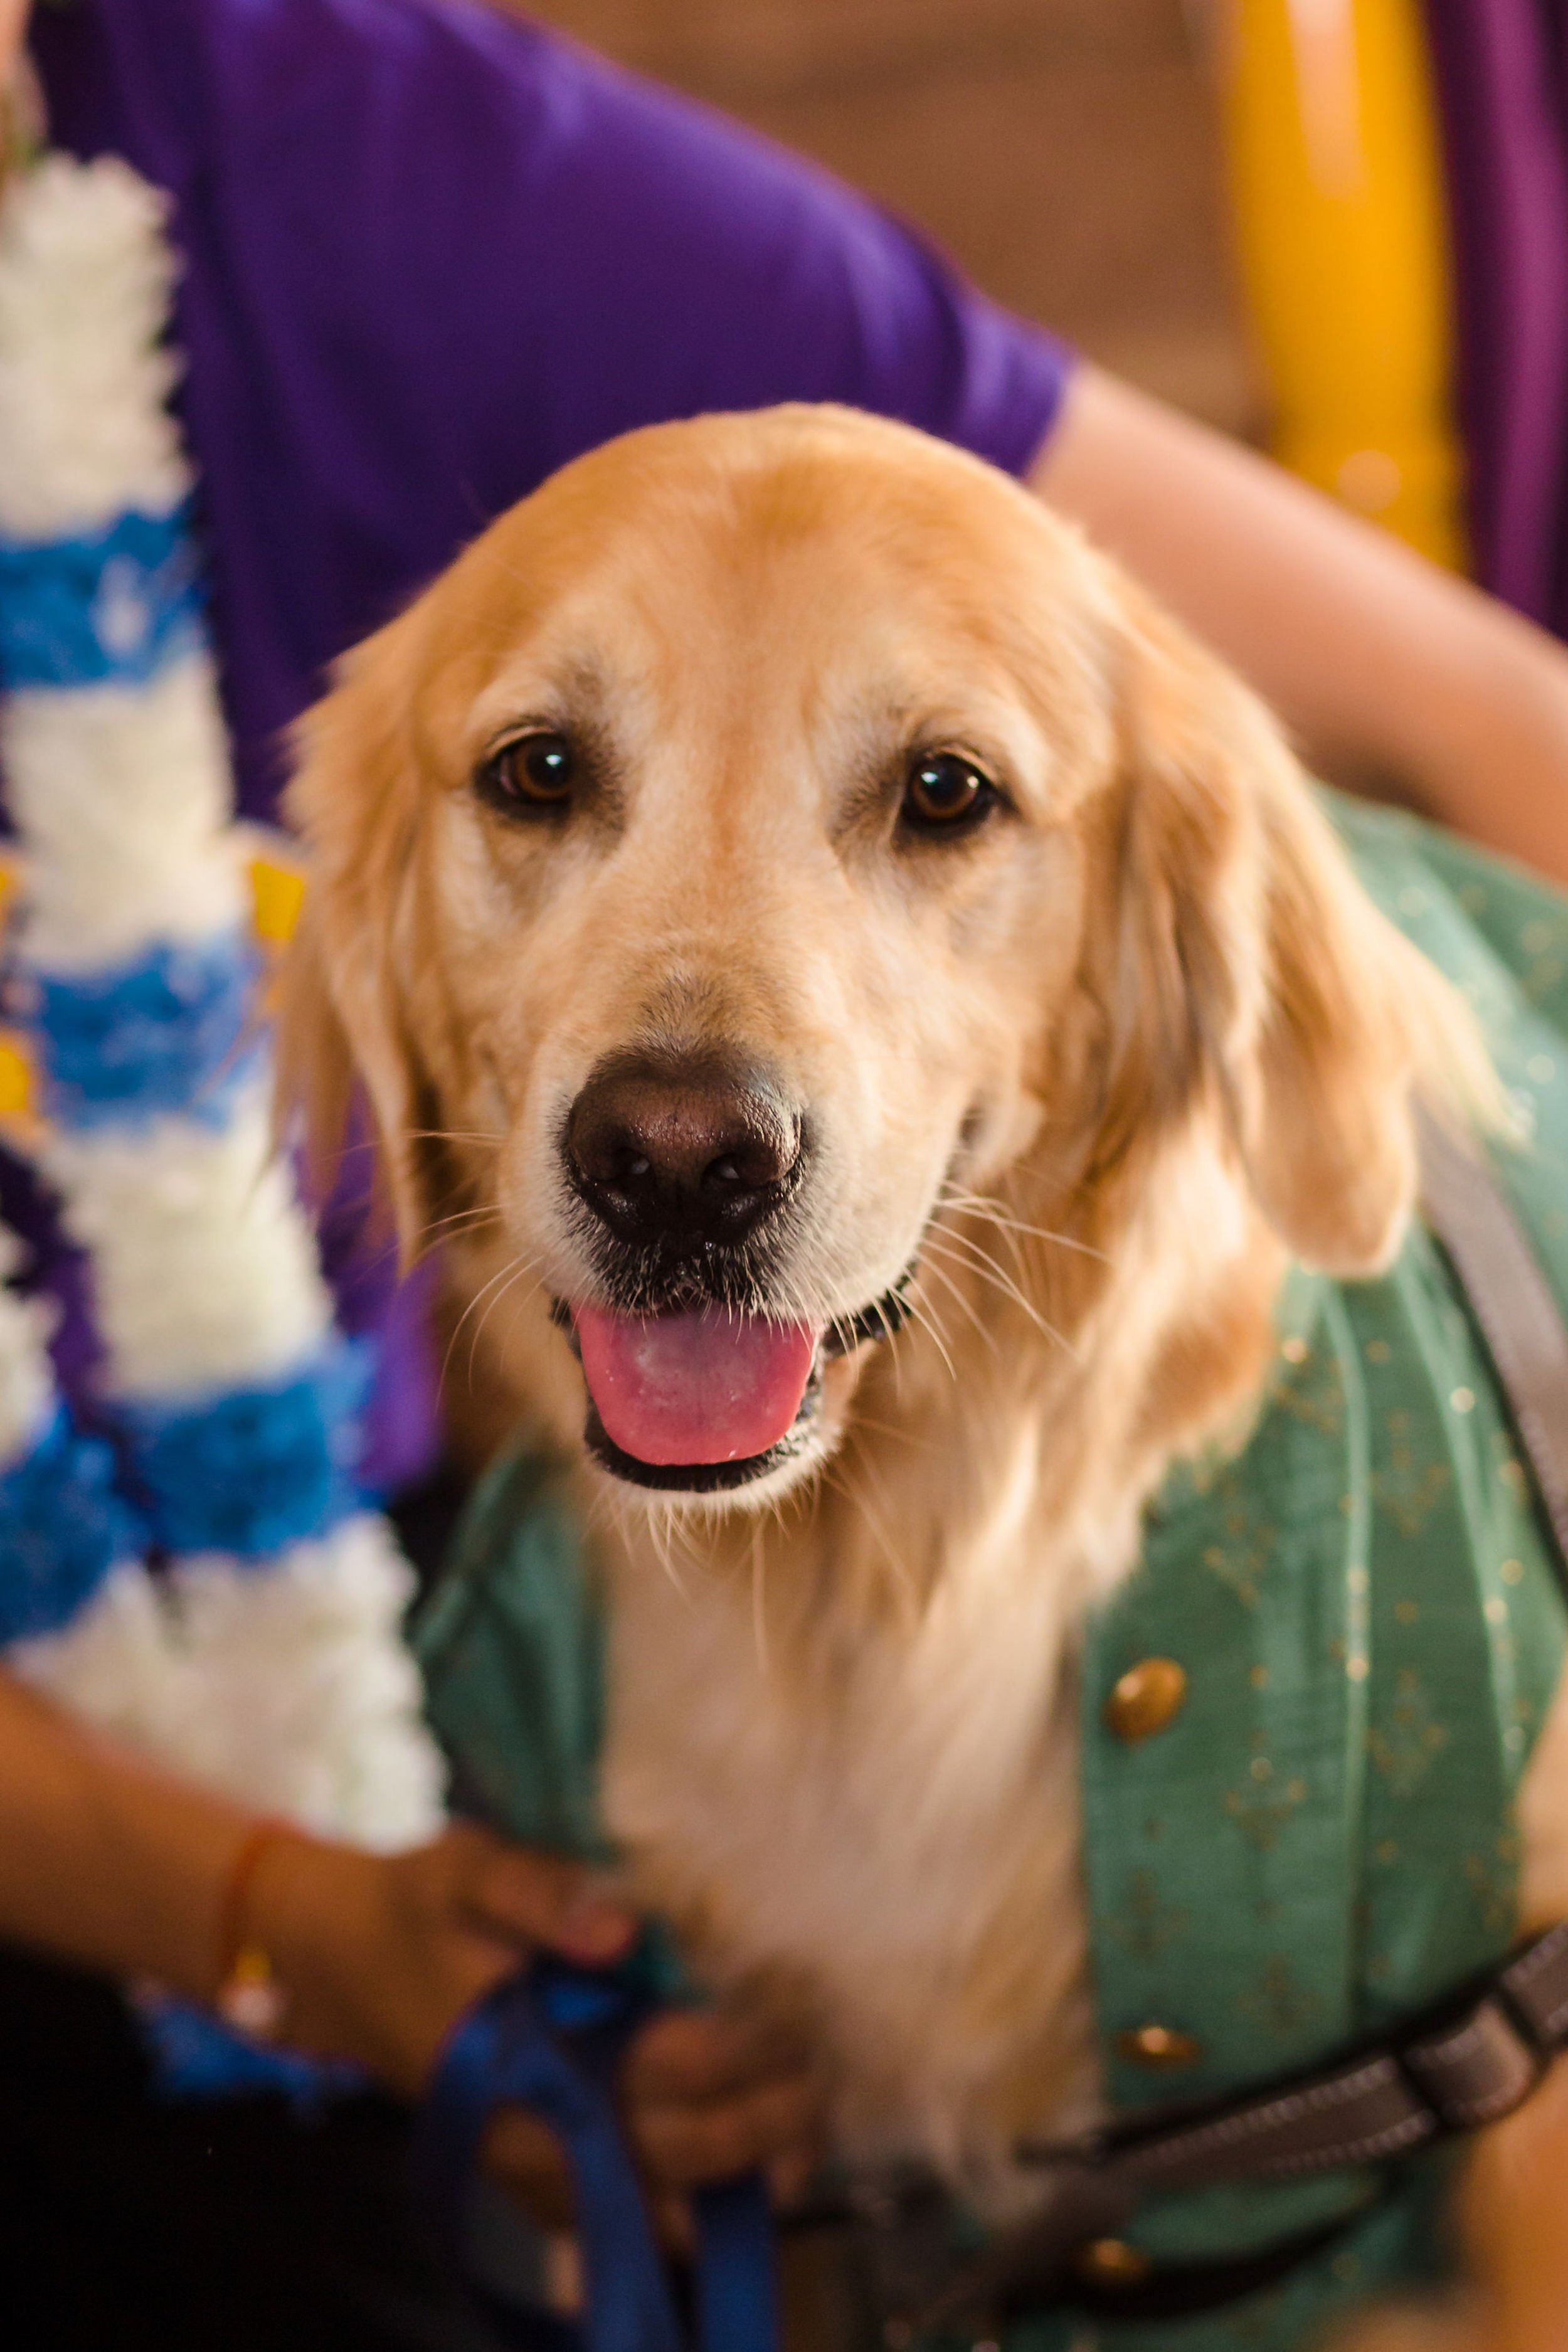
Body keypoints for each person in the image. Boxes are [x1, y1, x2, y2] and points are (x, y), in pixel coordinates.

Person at [6, 1, 1568, 2346]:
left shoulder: (347, 153)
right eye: (540, 782)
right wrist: (297, 1930)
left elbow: (1489, 725)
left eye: (936, 799)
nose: (682, 1099)